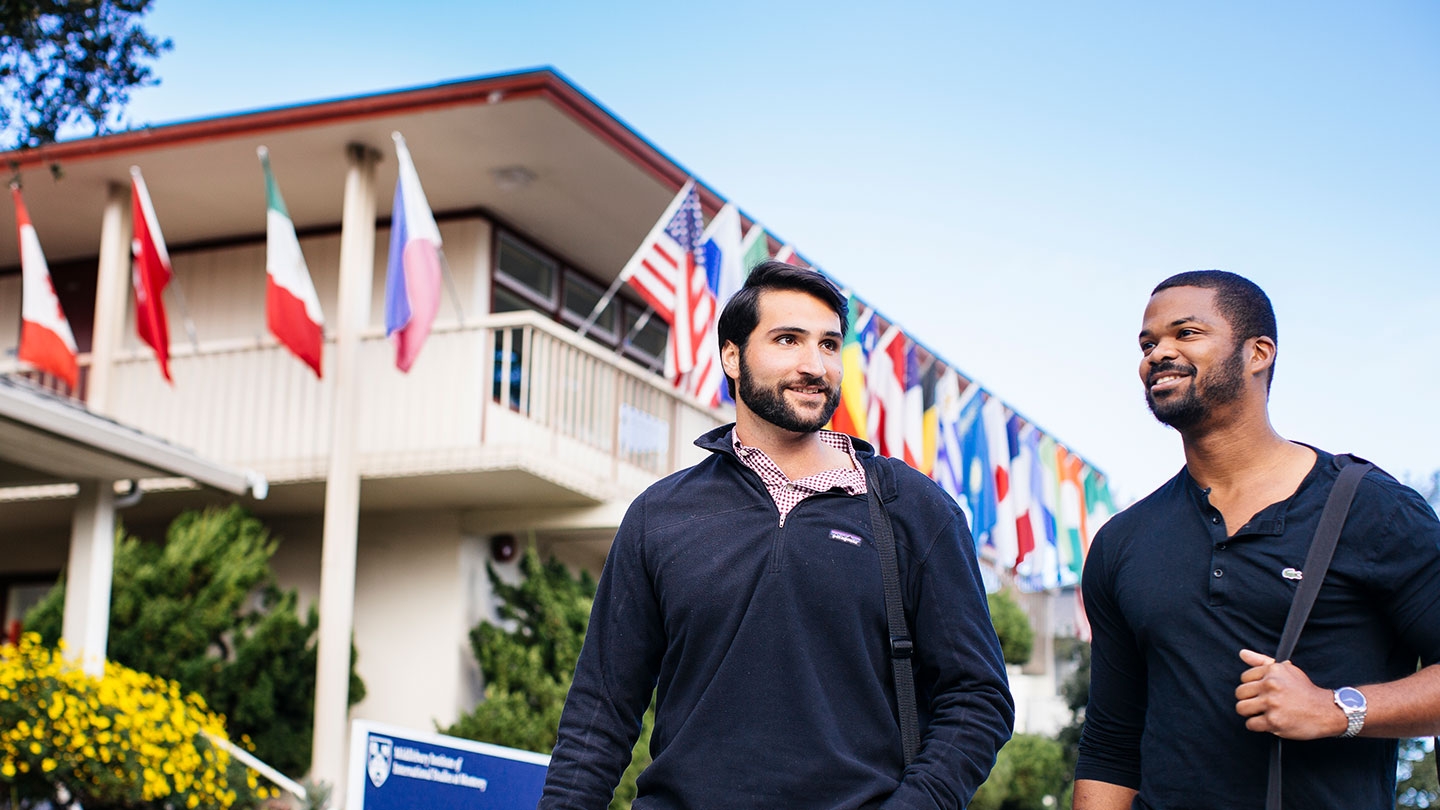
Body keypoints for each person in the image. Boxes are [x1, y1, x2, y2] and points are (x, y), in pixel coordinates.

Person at [539, 261, 1014, 809]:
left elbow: (978, 698)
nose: (815, 365)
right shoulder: (660, 514)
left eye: (830, 345)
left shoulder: (915, 511)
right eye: (788, 340)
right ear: (732, 357)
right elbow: (600, 712)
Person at [1074, 270, 1440, 809]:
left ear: (1258, 353)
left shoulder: (1373, 510)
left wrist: (1335, 708)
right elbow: (1111, 742)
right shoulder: (1122, 542)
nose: (1157, 353)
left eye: (1186, 333)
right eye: (1148, 343)